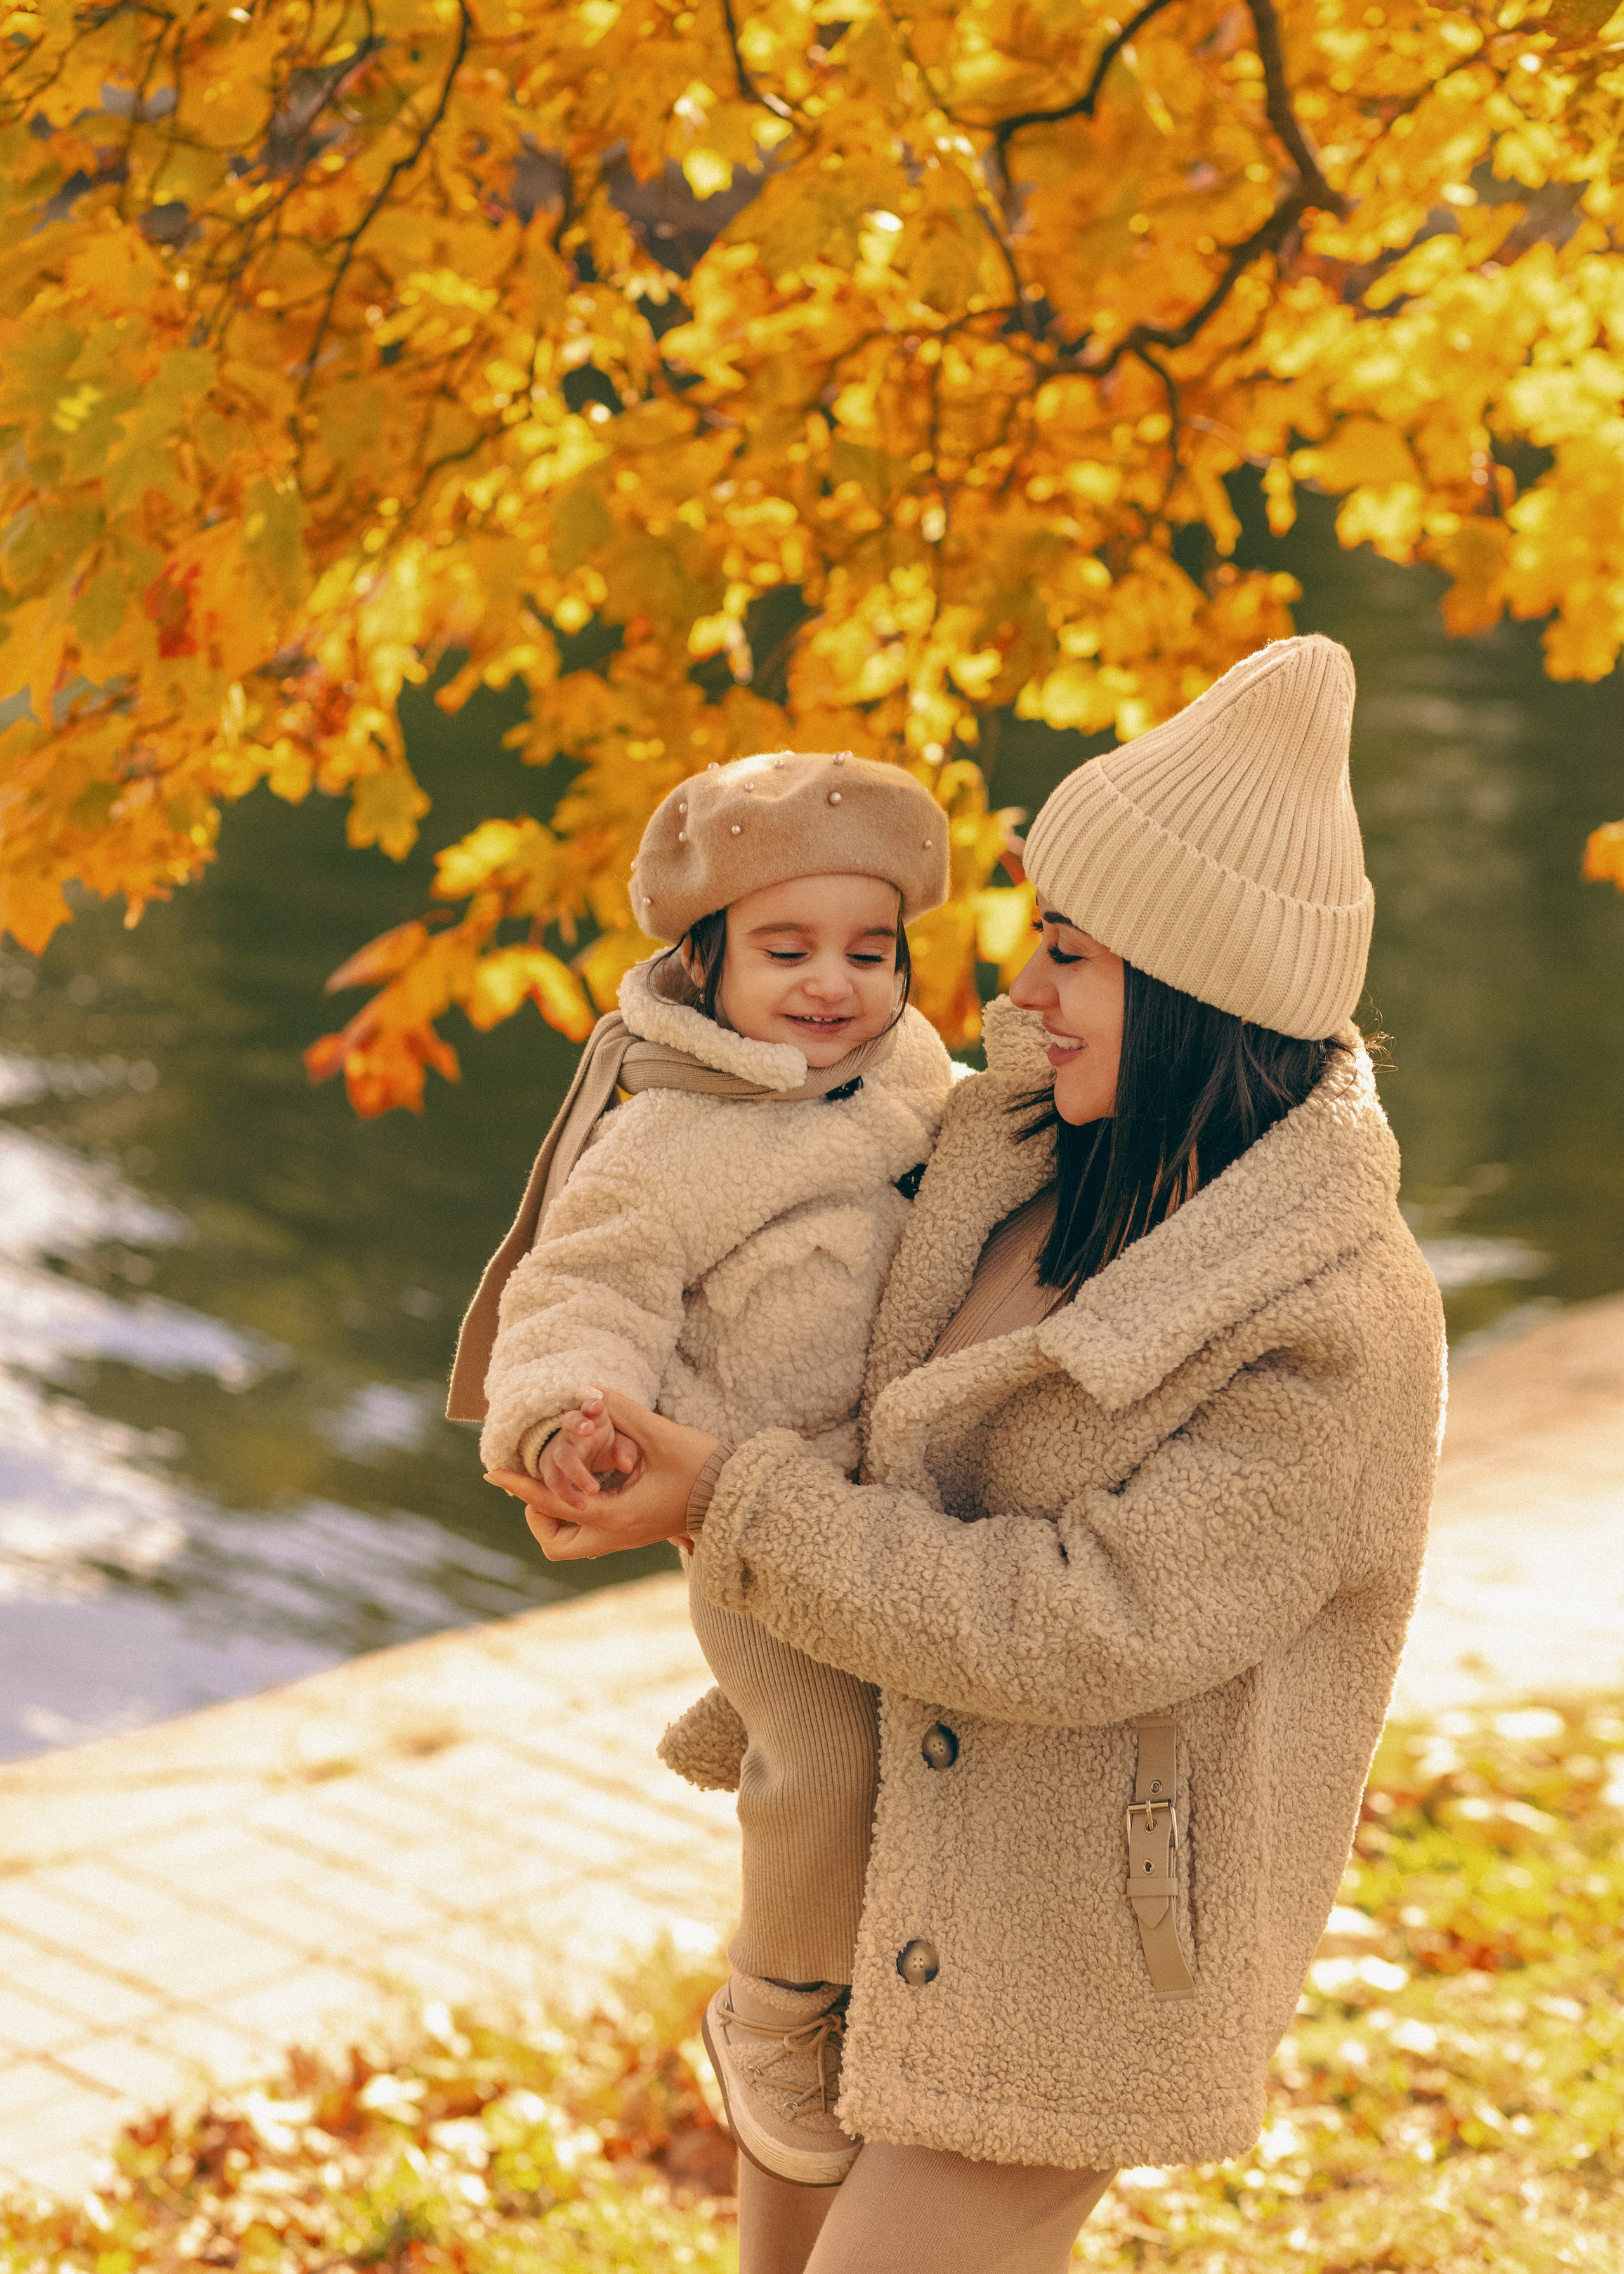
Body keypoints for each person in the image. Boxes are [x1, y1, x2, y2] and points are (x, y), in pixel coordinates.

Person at [490, 634, 1448, 2274]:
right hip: (863, 1898)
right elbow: (750, 1219)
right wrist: (613, 1413)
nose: (1015, 996)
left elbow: (1077, 1623)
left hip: (1072, 1953)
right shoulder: (1006, 1143)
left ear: (1190, 984)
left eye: (1065, 959)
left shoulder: (1341, 1323)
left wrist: (732, 1500)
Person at [450, 750, 956, 2190]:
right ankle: (776, 2009)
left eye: (868, 951)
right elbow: (578, 1296)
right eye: (785, 950)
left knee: (920, 1737)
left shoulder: (913, 1070)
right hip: (744, 1513)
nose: (830, 984)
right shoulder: (660, 1139)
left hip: (884, 1504)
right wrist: (562, 1417)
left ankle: (754, 1754)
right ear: (701, 958)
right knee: (836, 1757)